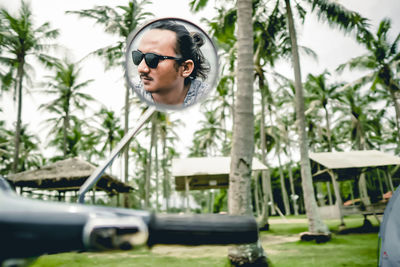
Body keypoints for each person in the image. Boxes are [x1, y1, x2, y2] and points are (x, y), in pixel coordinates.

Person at [132, 20, 210, 107]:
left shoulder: (208, 99)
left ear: (185, 68)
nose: (141, 68)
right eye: (137, 57)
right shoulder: (132, 92)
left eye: (153, 59)